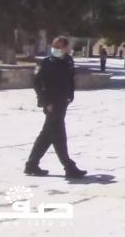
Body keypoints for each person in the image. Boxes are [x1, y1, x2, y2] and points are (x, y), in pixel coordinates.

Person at [25, 36, 87, 179]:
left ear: (66, 48)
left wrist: (70, 96)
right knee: (59, 136)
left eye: (59, 47)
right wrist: (45, 102)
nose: (56, 49)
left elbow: (70, 80)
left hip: (62, 103)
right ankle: (69, 167)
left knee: (47, 135)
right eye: (55, 46)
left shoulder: (68, 61)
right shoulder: (46, 62)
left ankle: (31, 165)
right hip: (51, 104)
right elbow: (36, 83)